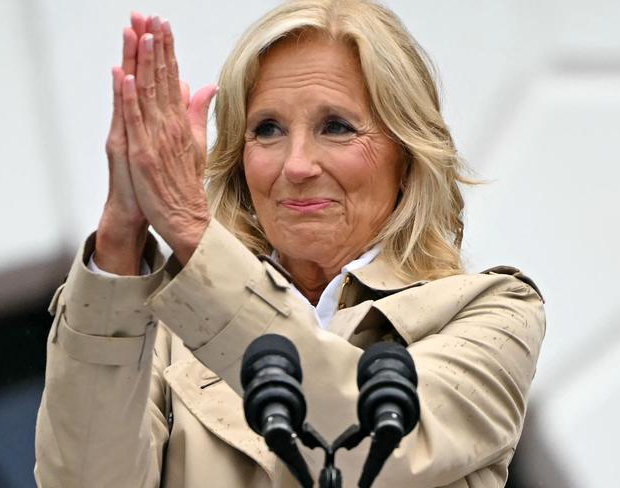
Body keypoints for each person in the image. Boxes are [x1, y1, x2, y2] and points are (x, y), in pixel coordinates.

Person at [34, 1, 545, 487]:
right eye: (268, 129)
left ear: (407, 158)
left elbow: (366, 451)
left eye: (337, 127)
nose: (297, 166)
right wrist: (123, 234)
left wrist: (191, 232)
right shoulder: (171, 327)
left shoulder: (493, 312)